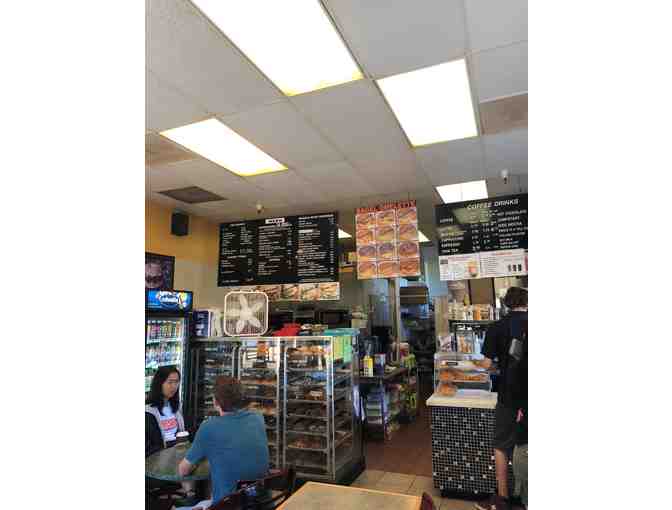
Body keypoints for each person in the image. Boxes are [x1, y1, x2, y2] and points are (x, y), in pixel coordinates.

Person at [176, 376, 269, 510]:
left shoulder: (208, 427)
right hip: (257, 502)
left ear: (215, 401)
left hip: (226, 505)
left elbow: (183, 470)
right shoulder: (258, 417)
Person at [475, 287, 528, 510]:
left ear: (506, 304)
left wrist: (494, 367)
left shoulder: (496, 327)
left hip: (508, 396)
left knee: (501, 445)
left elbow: (487, 364)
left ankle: (503, 498)